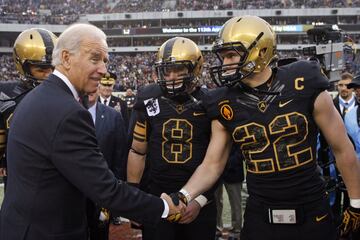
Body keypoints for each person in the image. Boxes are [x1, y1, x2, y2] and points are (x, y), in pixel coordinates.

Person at [168, 16, 360, 240]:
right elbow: (212, 164)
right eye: (223, 57)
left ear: (260, 51)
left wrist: (356, 203)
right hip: (260, 212)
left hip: (310, 207)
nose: (225, 64)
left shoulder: (304, 80)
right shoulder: (223, 102)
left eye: (231, 55)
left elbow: (342, 148)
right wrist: (183, 195)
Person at [0, 23, 183, 240]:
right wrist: (163, 207)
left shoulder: (38, 96)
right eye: (94, 59)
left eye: (105, 61)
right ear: (66, 58)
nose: (103, 69)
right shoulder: (68, 112)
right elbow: (106, 189)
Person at [127, 37, 217, 240]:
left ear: (195, 69)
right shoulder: (148, 98)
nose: (171, 77)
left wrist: (200, 200)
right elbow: (137, 151)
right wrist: (135, 196)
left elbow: (219, 160)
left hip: (199, 197)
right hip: (158, 196)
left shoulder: (211, 101)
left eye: (179, 70)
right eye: (166, 71)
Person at [0, 28, 58, 188]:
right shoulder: (8, 96)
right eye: (41, 69)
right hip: (20, 182)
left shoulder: (68, 94)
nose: (49, 74)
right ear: (22, 66)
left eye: (53, 68)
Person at [86, 88, 127, 240]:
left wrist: (114, 190)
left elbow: (120, 156)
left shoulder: (113, 116)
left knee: (100, 233)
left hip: (103, 193)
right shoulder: (64, 112)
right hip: (71, 195)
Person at [215, 146, 244, 240]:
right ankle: (217, 228)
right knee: (216, 202)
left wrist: (228, 163)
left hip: (233, 171)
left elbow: (241, 152)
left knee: (236, 203)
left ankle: (237, 230)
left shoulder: (237, 132)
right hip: (216, 173)